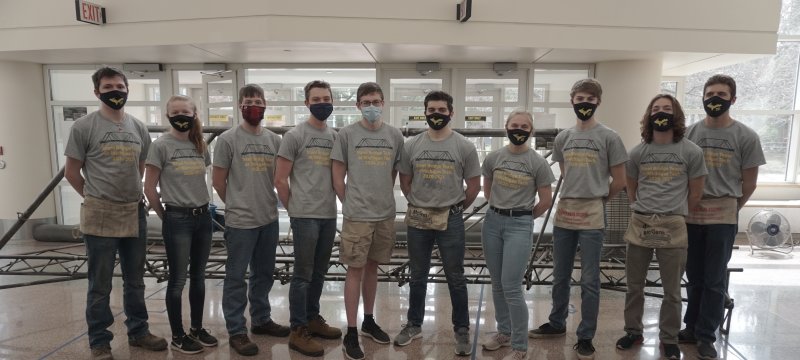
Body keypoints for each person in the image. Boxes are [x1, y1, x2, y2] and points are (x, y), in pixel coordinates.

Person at [64, 66, 167, 360]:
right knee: (100, 284)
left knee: (135, 280)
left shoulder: (138, 127)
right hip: (99, 214)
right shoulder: (84, 127)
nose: (115, 91)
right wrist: (94, 197)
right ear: (97, 92)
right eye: (108, 87)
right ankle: (99, 341)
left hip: (133, 212)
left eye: (120, 86)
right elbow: (72, 173)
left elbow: (140, 167)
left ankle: (138, 331)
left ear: (127, 89)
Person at [528, 78, 628, 360]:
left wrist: (598, 199)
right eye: (579, 98)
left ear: (598, 102)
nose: (584, 103)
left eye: (590, 99)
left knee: (589, 278)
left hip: (593, 212)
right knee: (559, 274)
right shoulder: (564, 137)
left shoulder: (610, 136)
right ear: (572, 100)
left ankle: (586, 335)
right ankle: (557, 323)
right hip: (566, 213)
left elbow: (619, 180)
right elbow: (566, 174)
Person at [614, 94, 707, 360]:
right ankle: (633, 331)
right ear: (649, 116)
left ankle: (668, 338)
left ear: (676, 115)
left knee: (672, 290)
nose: (661, 113)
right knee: (634, 285)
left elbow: (696, 192)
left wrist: (674, 212)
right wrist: (640, 205)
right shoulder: (638, 151)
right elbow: (631, 186)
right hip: (641, 222)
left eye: (667, 109)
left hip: (674, 224)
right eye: (656, 109)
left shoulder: (691, 151)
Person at [681, 75, 765, 360]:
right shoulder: (690, 133)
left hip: (723, 214)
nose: (715, 98)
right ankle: (690, 326)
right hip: (691, 214)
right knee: (693, 275)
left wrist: (731, 208)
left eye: (722, 93)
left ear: (733, 99)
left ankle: (707, 335)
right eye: (710, 93)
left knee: (714, 279)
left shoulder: (746, 136)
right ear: (703, 97)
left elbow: (750, 182)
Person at [394, 90, 481, 356]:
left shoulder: (464, 146)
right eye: (431, 110)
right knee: (418, 275)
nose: (436, 115)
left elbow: (474, 186)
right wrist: (421, 203)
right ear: (425, 112)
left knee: (455, 277)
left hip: (451, 218)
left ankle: (462, 329)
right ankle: (414, 324)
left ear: (451, 112)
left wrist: (454, 209)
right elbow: (405, 181)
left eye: (441, 110)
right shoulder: (412, 145)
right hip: (419, 217)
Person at [212, 84, 289, 357]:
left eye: (258, 100)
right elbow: (218, 182)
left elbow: (279, 179)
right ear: (240, 106)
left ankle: (261, 320)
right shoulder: (227, 140)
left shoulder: (274, 140)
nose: (254, 105)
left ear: (265, 105)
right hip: (241, 221)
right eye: (248, 101)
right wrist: (237, 203)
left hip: (268, 218)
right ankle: (236, 330)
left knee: (264, 274)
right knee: (235, 277)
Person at [331, 82, 404, 360]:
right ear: (358, 105)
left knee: (373, 267)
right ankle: (351, 330)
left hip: (384, 213)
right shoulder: (347, 134)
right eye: (366, 102)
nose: (371, 106)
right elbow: (338, 175)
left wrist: (381, 197)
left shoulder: (394, 135)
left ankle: (368, 321)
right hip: (357, 215)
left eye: (376, 101)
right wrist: (348, 203)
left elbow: (394, 174)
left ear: (383, 103)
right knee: (355, 269)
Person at [143, 95, 217, 354]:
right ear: (168, 116)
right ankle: (178, 335)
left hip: (203, 217)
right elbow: (149, 187)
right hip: (177, 218)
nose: (181, 116)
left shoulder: (200, 145)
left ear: (194, 114)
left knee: (199, 276)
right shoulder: (161, 145)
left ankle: (196, 328)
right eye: (175, 112)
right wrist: (165, 216)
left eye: (185, 111)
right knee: (177, 280)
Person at [275, 80, 342, 357]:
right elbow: (280, 179)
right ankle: (297, 330)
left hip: (328, 214)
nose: (322, 103)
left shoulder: (335, 136)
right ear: (307, 103)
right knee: (302, 275)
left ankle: (313, 318)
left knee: (319, 272)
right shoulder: (294, 135)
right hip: (305, 216)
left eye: (326, 98)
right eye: (316, 99)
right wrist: (294, 211)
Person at [480, 110, 554, 360]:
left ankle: (520, 347)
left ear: (531, 131)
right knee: (498, 284)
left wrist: (523, 217)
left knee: (511, 286)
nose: (519, 129)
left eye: (524, 126)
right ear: (506, 127)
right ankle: (504, 333)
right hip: (492, 222)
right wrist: (501, 210)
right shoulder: (494, 157)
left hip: (519, 225)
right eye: (515, 125)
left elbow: (546, 200)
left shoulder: (538, 162)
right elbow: (487, 189)